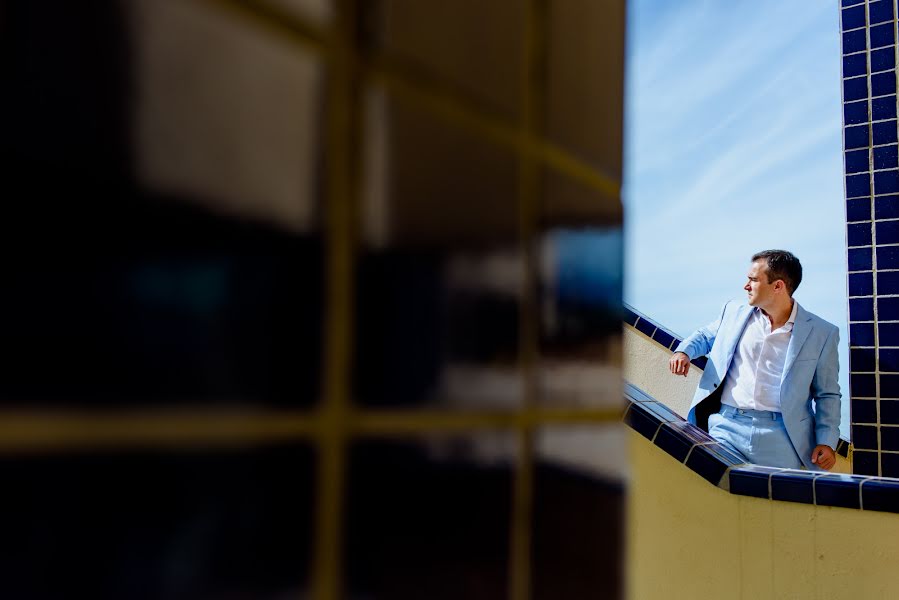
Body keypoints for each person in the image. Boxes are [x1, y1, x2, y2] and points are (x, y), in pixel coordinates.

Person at [668, 250, 840, 470]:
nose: (745, 286)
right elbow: (705, 336)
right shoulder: (733, 312)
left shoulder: (822, 333)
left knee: (777, 501)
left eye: (753, 280)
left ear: (778, 286)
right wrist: (683, 352)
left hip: (783, 438)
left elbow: (827, 393)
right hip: (726, 427)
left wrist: (826, 440)